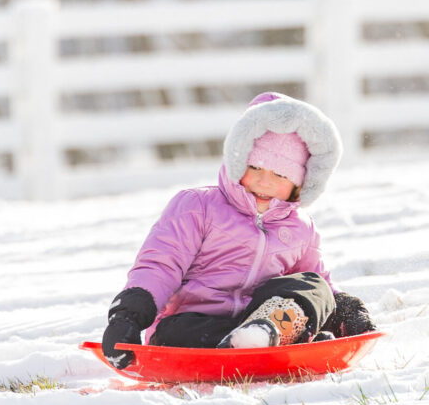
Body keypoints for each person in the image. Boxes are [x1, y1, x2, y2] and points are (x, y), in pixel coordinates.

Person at [100, 92, 375, 370]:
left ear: (300, 184)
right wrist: (127, 317)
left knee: (313, 284)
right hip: (195, 326)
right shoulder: (198, 207)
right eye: (254, 166)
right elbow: (160, 265)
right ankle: (256, 346)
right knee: (173, 334)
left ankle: (266, 335)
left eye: (280, 174)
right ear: (237, 160)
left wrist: (345, 310)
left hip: (264, 319)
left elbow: (314, 287)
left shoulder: (300, 228)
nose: (264, 181)